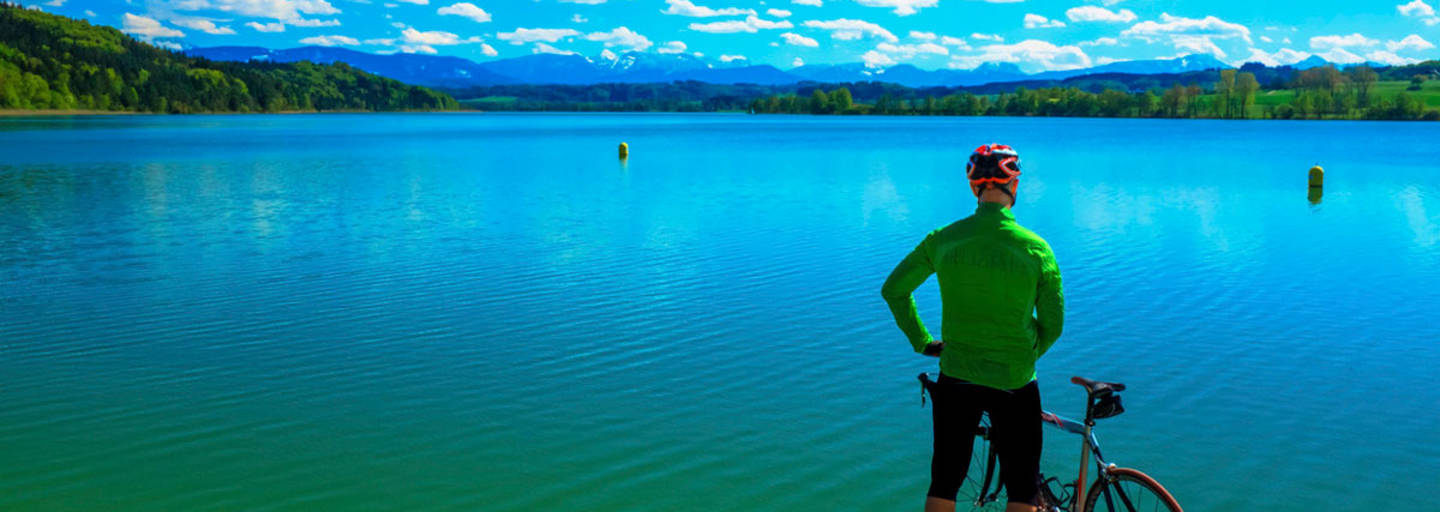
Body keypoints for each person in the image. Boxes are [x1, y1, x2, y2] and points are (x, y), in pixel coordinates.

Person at [880, 144, 1064, 512]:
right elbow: (1054, 325)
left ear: (973, 187)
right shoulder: (1036, 248)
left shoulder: (944, 238)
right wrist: (1025, 353)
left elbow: (894, 290)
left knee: (945, 480)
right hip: (1015, 379)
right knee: (1023, 487)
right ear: (1014, 184)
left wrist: (922, 341)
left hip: (957, 375)